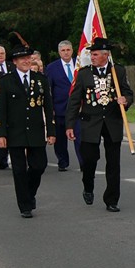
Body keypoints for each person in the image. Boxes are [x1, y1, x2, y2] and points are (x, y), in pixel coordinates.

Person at [65, 38, 134, 211]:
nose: (92, 57)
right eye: (91, 54)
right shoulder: (84, 73)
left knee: (113, 163)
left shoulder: (118, 71)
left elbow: (128, 93)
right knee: (89, 159)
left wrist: (125, 100)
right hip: (90, 122)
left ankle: (111, 200)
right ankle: (88, 186)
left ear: (106, 55)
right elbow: (74, 101)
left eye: (95, 54)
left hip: (112, 121)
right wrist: (70, 125)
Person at [0, 45, 56, 218]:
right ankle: (25, 205)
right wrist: (0, 134)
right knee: (19, 169)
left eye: (29, 58)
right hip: (15, 131)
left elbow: (48, 106)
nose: (26, 61)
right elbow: (1, 109)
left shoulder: (40, 79)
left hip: (36, 130)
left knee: (39, 165)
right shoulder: (6, 80)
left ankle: (29, 193)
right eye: (22, 59)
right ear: (15, 62)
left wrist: (51, 131)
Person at [46, 39, 78, 172]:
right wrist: (50, 108)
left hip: (78, 109)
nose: (66, 53)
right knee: (60, 139)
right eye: (63, 50)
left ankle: (83, 162)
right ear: (59, 52)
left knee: (80, 137)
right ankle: (62, 161)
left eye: (68, 50)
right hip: (59, 108)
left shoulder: (80, 64)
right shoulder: (52, 68)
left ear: (72, 50)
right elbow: (49, 90)